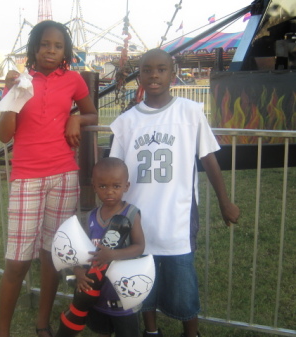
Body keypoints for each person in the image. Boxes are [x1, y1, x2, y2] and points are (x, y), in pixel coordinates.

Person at [109, 49, 240, 337]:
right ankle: (151, 331)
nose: (154, 75)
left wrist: (224, 202)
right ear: (139, 75)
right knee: (144, 281)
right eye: (146, 70)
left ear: (172, 72)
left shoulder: (190, 112)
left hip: (177, 220)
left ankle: (191, 332)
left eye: (161, 69)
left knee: (184, 286)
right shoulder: (126, 121)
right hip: (138, 221)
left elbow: (209, 160)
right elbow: (115, 170)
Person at [0, 20, 98, 337]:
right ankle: (3, 331)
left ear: (65, 50)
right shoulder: (20, 81)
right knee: (17, 261)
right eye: (44, 44)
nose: (50, 50)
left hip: (64, 175)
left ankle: (42, 323)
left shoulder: (73, 80)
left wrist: (76, 117)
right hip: (27, 177)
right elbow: (4, 136)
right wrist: (13, 94)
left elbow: (93, 113)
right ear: (34, 48)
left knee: (52, 254)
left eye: (57, 45)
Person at [56, 157, 145, 337]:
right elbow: (82, 251)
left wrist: (113, 254)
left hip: (122, 293)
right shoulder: (90, 217)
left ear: (126, 186)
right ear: (94, 186)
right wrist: (78, 270)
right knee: (102, 330)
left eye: (116, 186)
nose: (109, 192)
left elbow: (139, 247)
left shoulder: (132, 214)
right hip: (98, 294)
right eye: (103, 186)